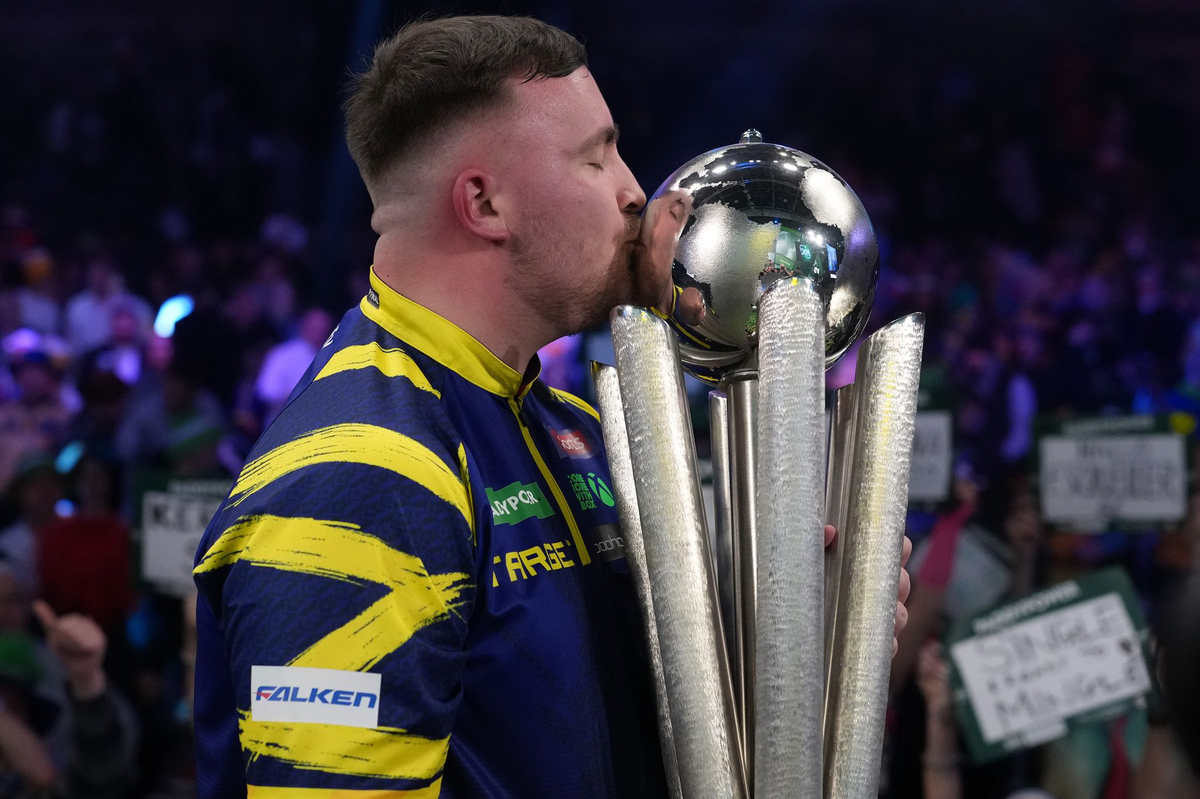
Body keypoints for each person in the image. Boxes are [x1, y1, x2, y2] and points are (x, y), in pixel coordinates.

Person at [192, 15, 912, 797]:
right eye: (595, 158)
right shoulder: (360, 475)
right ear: (484, 203)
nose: (634, 191)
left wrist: (783, 646)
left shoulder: (577, 428)